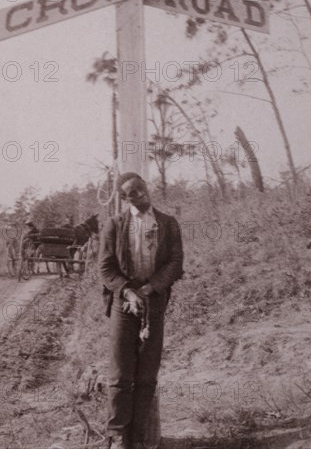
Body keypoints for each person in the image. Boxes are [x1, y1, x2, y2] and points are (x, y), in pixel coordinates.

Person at [98, 172, 184, 449]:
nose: (139, 195)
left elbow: (175, 262)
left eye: (141, 189)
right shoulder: (115, 225)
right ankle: (119, 437)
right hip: (124, 304)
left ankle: (140, 437)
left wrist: (152, 288)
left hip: (154, 301)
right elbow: (106, 268)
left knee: (147, 374)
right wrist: (127, 291)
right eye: (132, 193)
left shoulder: (168, 224)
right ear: (123, 198)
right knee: (121, 374)